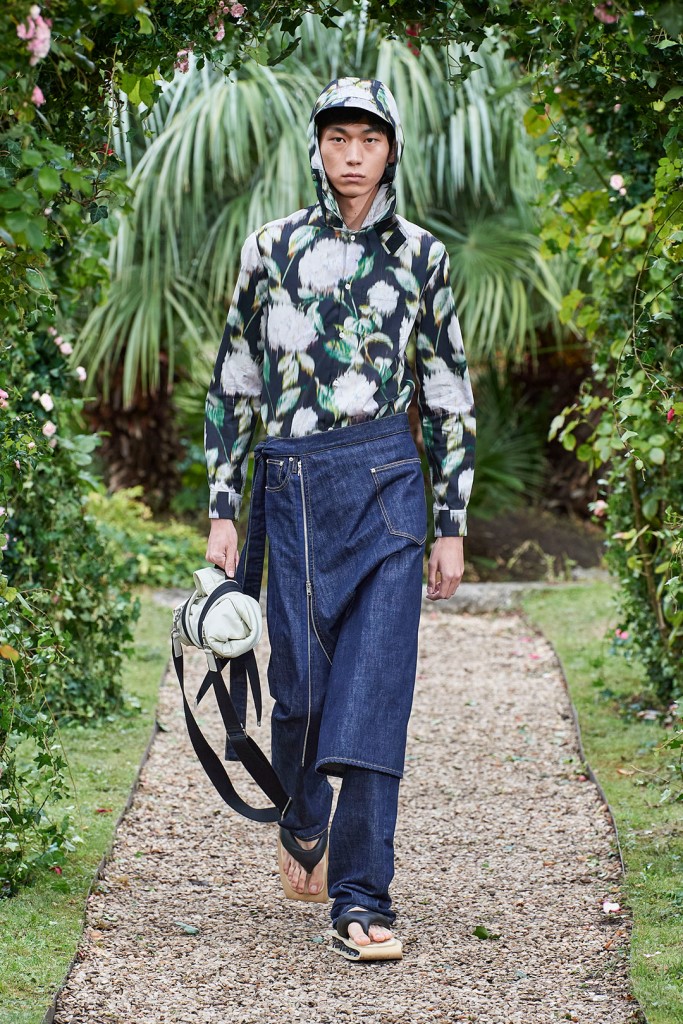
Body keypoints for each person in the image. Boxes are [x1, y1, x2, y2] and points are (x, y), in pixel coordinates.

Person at [204, 77, 475, 962]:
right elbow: (235, 382)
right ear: (317, 148)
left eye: (368, 140)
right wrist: (222, 508)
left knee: (374, 695)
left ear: (390, 150)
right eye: (337, 140)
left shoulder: (422, 256)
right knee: (300, 699)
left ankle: (363, 899)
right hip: (290, 491)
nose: (352, 157)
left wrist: (449, 522)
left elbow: (447, 392)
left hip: (388, 490)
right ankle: (302, 811)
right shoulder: (270, 247)